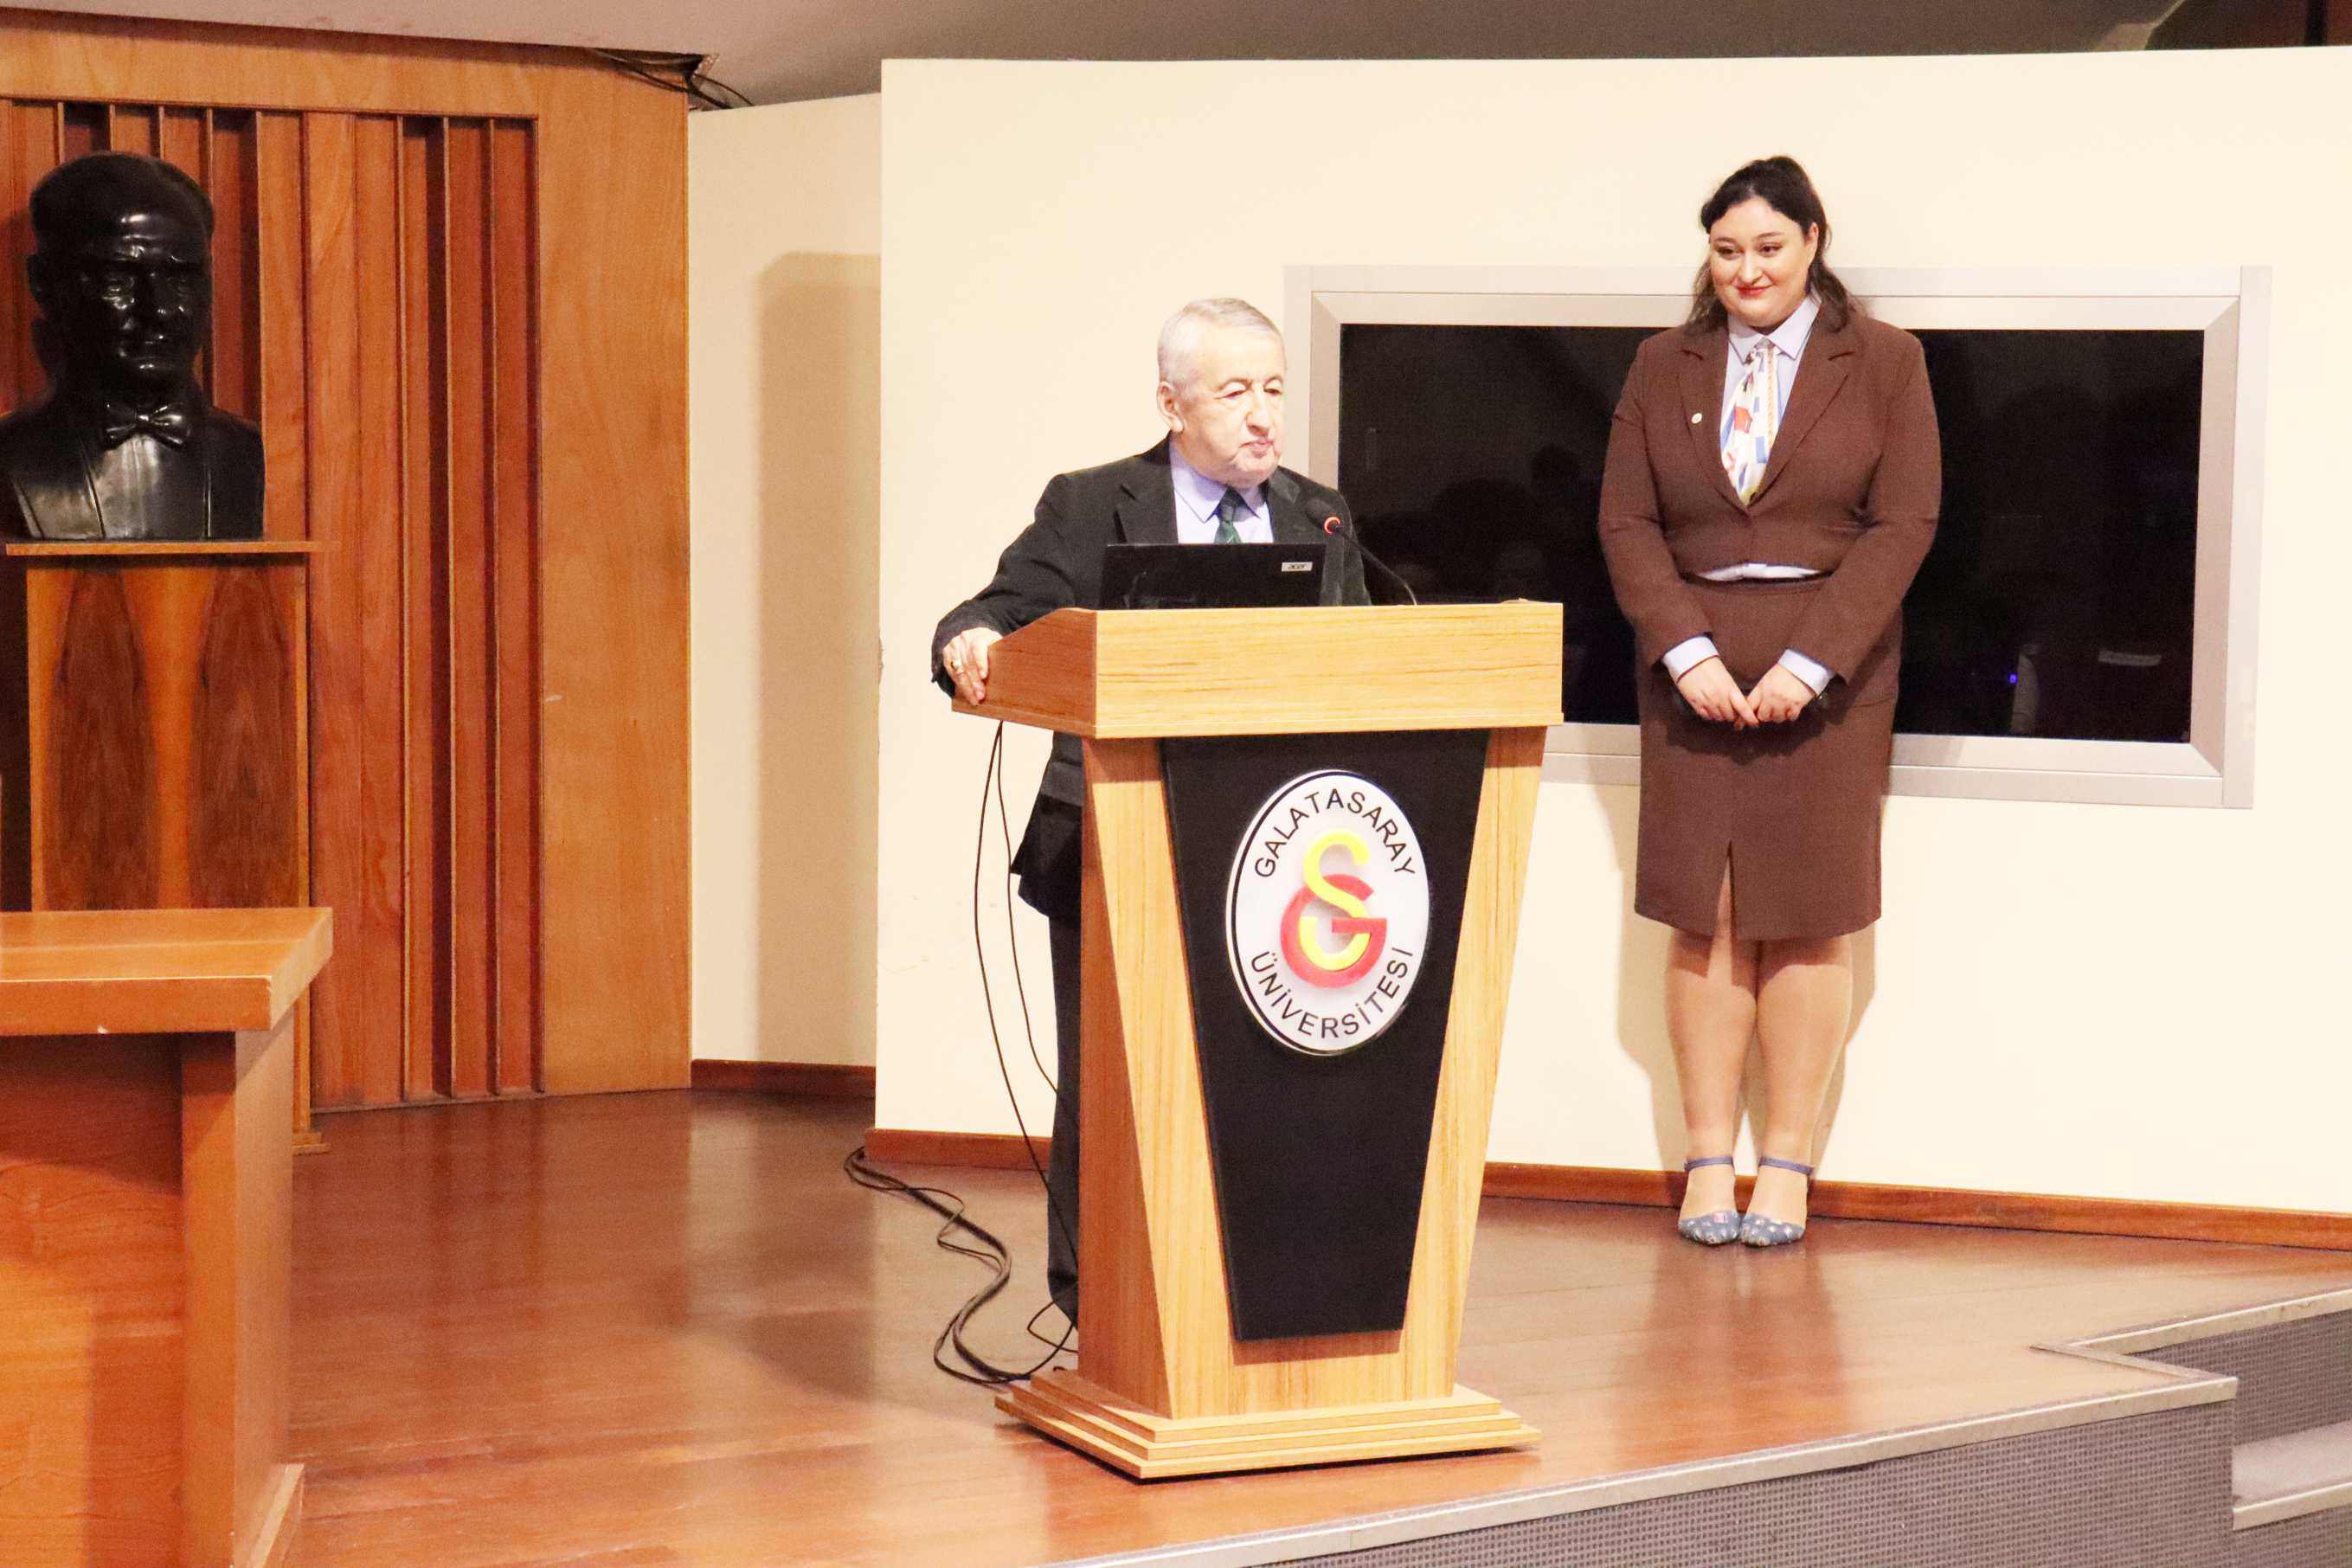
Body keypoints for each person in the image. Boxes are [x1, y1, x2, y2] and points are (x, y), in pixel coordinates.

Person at [932, 298, 1371, 1321]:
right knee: (1112, 1080)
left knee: (1260, 1083)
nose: (1263, 415)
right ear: (1173, 405)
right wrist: (972, 639)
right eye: (1235, 392)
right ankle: (1096, 1309)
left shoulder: (1321, 516)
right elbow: (996, 610)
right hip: (1111, 835)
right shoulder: (1093, 504)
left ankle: (1243, 1296)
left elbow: (1363, 661)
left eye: (1274, 389)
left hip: (1277, 854)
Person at [1597, 157, 1938, 1247]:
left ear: (1814, 241)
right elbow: (1626, 522)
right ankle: (1708, 1163)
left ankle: (1785, 1165)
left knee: (1807, 912)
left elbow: (1906, 523)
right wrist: (1684, 648)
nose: (1747, 270)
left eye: (1769, 248)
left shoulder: (1886, 361)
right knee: (1704, 914)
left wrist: (1813, 662)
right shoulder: (1662, 363)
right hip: (1691, 666)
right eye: (1726, 250)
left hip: (1830, 665)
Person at [0, 151, 263, 541]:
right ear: (43, 283)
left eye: (182, 278)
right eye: (118, 278)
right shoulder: (12, 451)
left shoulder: (243, 452)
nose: (158, 309)